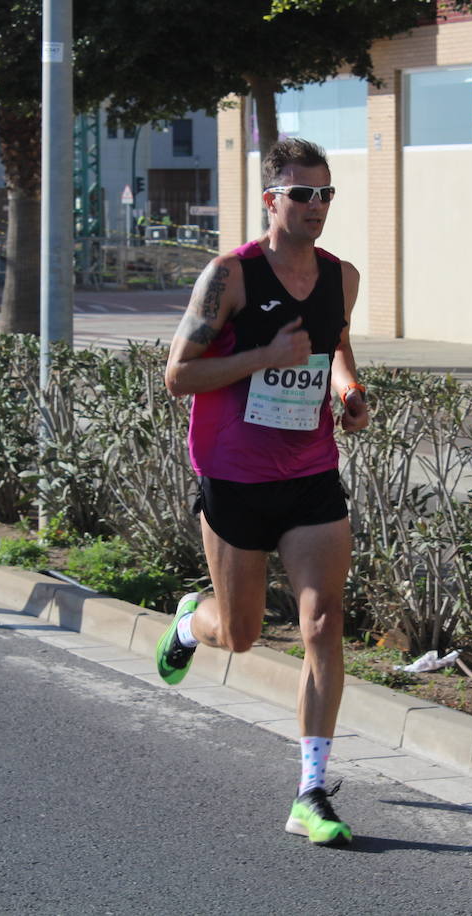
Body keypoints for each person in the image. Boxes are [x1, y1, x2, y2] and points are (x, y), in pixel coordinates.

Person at [156, 138, 369, 846]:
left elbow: (334, 347)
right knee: (242, 636)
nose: (316, 207)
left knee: (322, 623)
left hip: (310, 471)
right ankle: (193, 622)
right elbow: (178, 375)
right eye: (302, 195)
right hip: (235, 475)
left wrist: (349, 390)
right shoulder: (231, 277)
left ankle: (311, 791)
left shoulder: (343, 277)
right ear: (271, 199)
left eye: (326, 194)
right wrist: (263, 358)